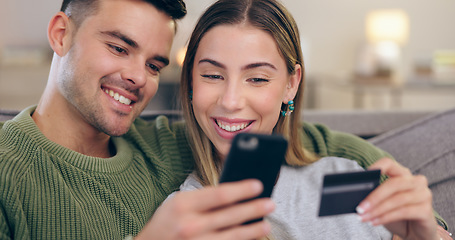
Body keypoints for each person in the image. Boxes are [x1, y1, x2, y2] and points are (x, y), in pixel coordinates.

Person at [172, 0, 452, 239]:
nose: (231, 101)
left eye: (257, 79)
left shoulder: (345, 176)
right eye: (212, 75)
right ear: (191, 81)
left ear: (291, 84)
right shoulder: (184, 215)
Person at [0, 0, 276, 239]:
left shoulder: (171, 146)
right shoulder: (7, 171)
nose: (140, 77)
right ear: (61, 35)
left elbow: (304, 140)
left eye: (153, 66)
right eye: (119, 48)